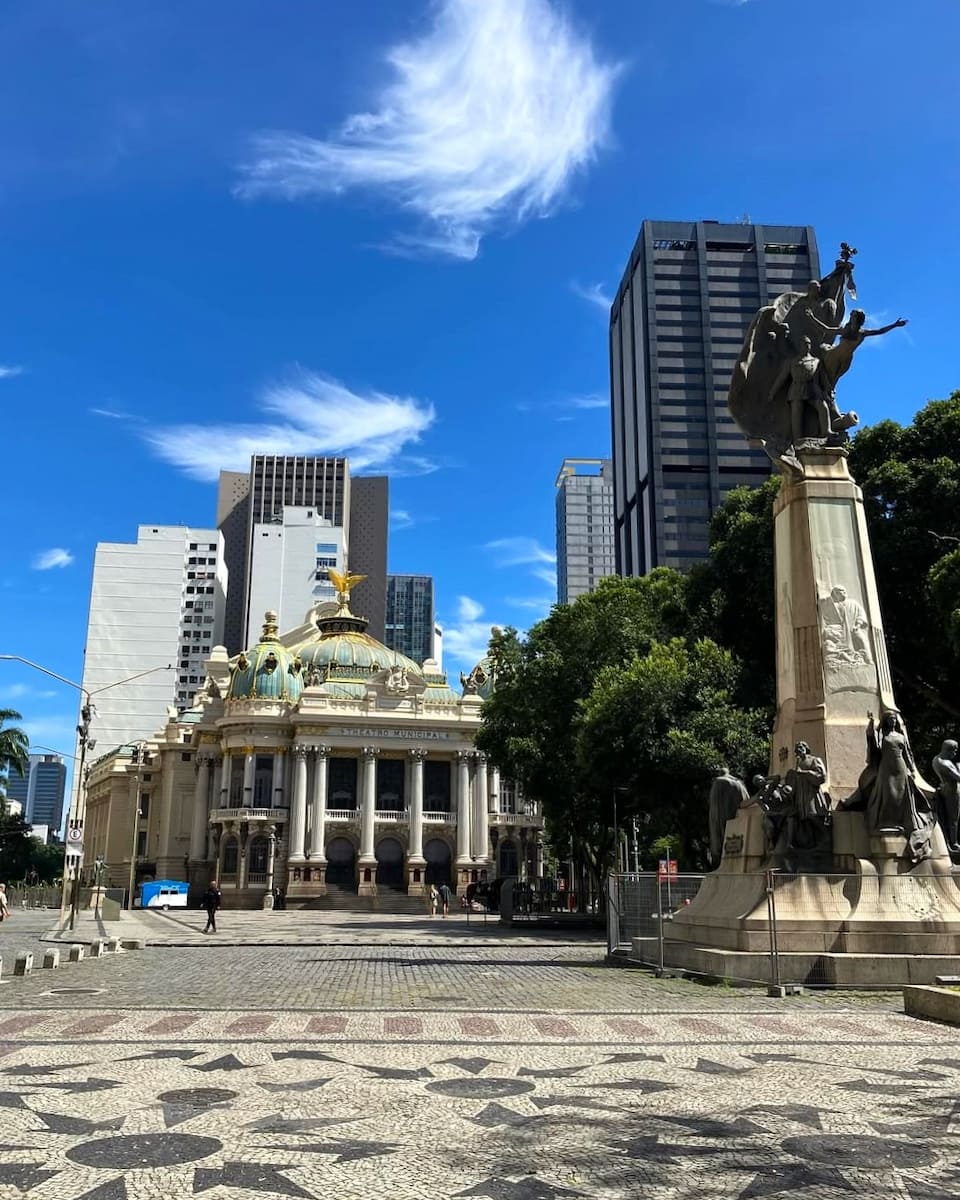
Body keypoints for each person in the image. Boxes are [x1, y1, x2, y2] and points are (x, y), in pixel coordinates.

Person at [707, 767, 750, 865]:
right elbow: (746, 800)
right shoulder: (739, 783)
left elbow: (715, 809)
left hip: (723, 818)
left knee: (721, 837)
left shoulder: (718, 782)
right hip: (739, 823)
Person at [932, 740, 960, 854]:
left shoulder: (937, 759)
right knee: (953, 818)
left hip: (948, 787)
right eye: (955, 750)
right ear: (949, 749)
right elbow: (958, 777)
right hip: (951, 790)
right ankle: (954, 843)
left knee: (952, 817)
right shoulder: (943, 763)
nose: (956, 752)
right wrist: (959, 766)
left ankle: (953, 841)